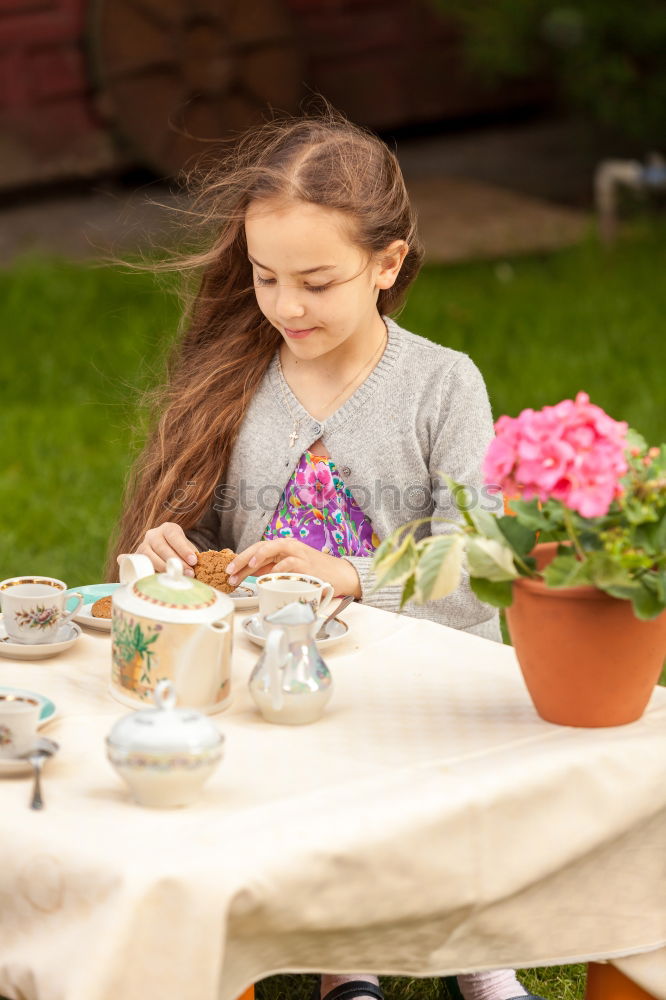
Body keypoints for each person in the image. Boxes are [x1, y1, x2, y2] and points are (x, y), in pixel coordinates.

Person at [108, 108, 544, 1000]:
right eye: (266, 279)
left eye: (316, 281)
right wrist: (178, 547)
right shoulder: (239, 379)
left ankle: (477, 958)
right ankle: (348, 963)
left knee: (424, 788)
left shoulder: (441, 384)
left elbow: (485, 549)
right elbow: (217, 541)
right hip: (288, 674)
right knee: (321, 780)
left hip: (426, 668)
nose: (285, 307)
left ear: (387, 266)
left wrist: (351, 575)